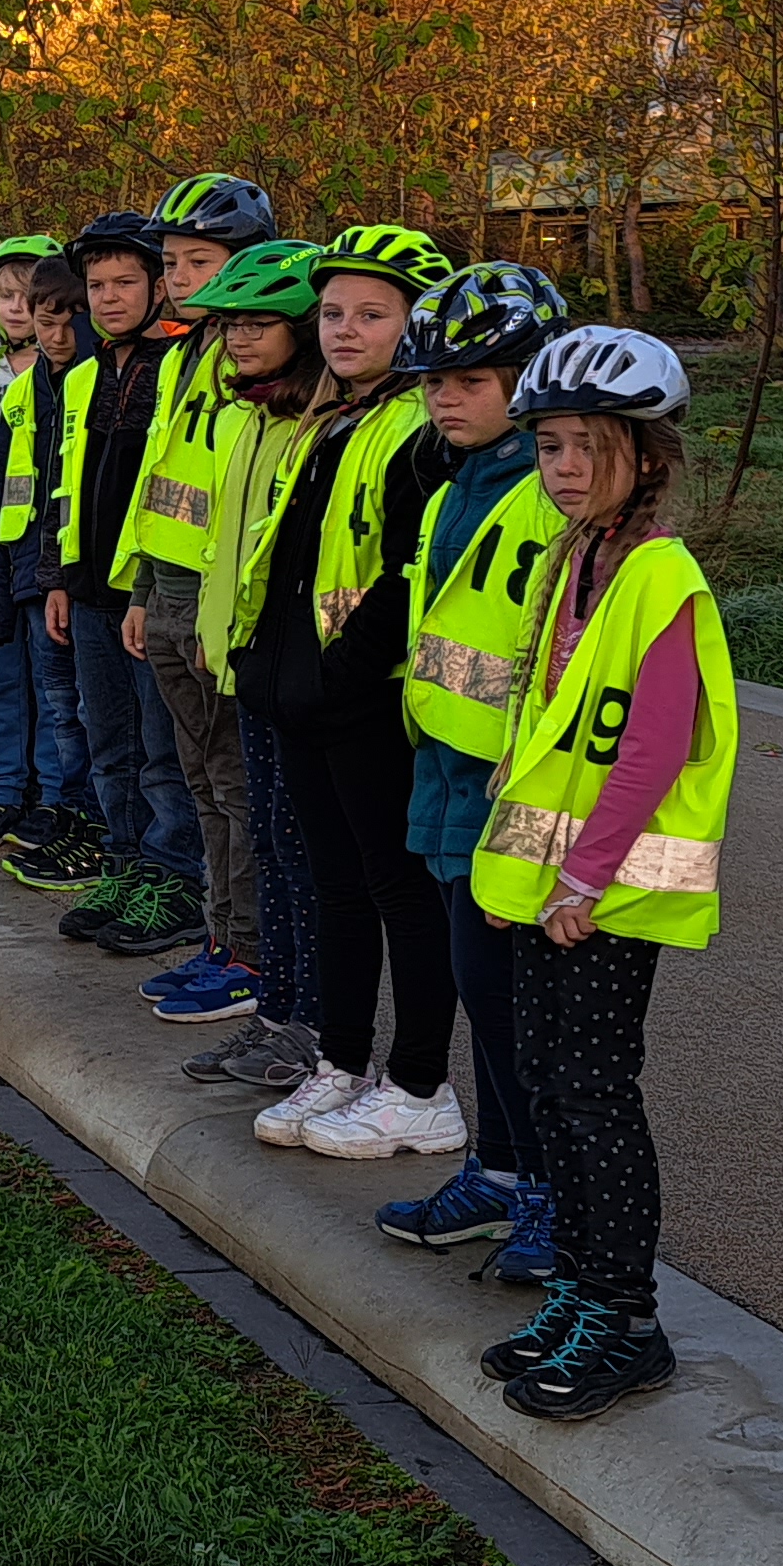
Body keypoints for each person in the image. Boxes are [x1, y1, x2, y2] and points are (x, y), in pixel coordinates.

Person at [470, 324, 736, 1424]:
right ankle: (578, 1292)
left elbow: (653, 746)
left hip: (608, 896)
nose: (564, 466)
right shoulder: (572, 559)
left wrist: (581, 881)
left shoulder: (658, 576)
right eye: (547, 447)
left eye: (587, 445)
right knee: (546, 1085)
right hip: (552, 890)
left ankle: (626, 1320)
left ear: (647, 454)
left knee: (592, 1099)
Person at [226, 220, 469, 1160]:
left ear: (417, 326)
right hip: (299, 697)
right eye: (332, 312)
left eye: (373, 314)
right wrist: (261, 669)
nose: (344, 329)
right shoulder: (331, 422)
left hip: (366, 700)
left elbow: (411, 578)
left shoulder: (416, 433)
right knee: (331, 886)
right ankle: (341, 1059)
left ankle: (420, 1084)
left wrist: (335, 676)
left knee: (396, 891)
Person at [371, 263, 573, 1282]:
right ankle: (496, 1173)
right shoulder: (458, 479)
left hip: (510, 790)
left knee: (507, 998)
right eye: (432, 381)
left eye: (471, 380)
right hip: (448, 775)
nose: (445, 397)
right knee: (472, 979)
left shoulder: (545, 498)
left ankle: (545, 1191)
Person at [113, 172, 286, 1014]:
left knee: (234, 782)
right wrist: (144, 587)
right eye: (173, 263)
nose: (180, 278)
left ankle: (249, 954)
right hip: (170, 595)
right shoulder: (187, 356)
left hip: (219, 611)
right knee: (202, 783)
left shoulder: (256, 372)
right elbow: (165, 483)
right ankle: (219, 937)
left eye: (198, 261)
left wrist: (217, 612)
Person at [172, 240, 333, 1084]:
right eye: (230, 321)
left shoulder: (316, 427)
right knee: (269, 842)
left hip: (298, 678)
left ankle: (313, 1030)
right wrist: (210, 628)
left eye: (259, 321)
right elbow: (225, 549)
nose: (237, 336)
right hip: (241, 662)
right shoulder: (250, 417)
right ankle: (278, 1010)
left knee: (304, 858)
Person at [52, 210, 206, 953]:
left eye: (125, 282)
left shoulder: (180, 366)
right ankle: (124, 860)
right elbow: (67, 484)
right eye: (97, 284)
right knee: (106, 736)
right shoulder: (84, 375)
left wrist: (147, 587)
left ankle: (173, 876)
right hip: (88, 587)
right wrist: (60, 575)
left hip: (146, 591)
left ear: (157, 286)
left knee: (161, 747)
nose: (109, 297)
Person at [0, 241, 79, 858]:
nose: (18, 308)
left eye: (31, 297)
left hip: (43, 539)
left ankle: (52, 796)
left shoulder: (72, 368)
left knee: (49, 677)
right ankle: (7, 790)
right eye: (5, 296)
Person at [0, 257, 110, 891]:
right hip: (34, 571)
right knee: (61, 705)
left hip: (80, 575)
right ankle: (68, 809)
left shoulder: (97, 381)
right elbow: (11, 491)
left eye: (70, 318)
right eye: (46, 319)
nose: (58, 333)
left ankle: (95, 819)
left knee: (92, 710)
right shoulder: (24, 388)